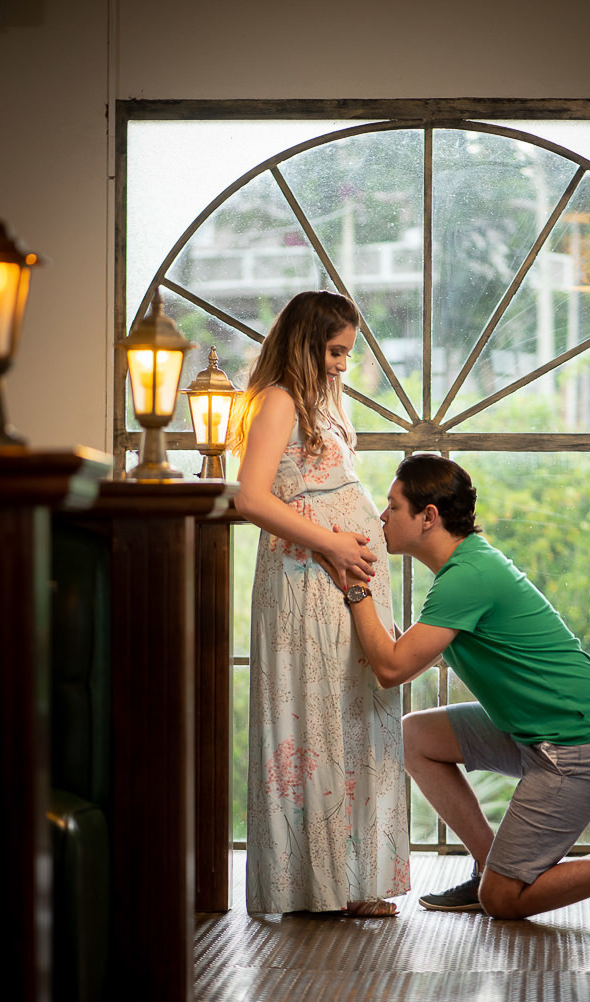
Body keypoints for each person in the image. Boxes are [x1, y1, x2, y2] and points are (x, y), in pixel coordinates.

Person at [325, 454, 590, 923]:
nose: (382, 517)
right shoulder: (465, 566)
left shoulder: (467, 576)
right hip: (537, 729)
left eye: (392, 506)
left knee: (504, 901)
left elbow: (391, 669)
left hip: (580, 743)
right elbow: (406, 654)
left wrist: (354, 587)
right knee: (415, 737)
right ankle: (490, 866)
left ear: (428, 517)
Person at [230, 291, 409, 917]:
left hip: (340, 583)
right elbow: (250, 498)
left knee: (352, 718)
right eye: (334, 352)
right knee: (315, 720)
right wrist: (332, 543)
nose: (341, 364)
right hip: (305, 581)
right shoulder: (278, 399)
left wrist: (348, 550)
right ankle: (316, 886)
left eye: (346, 354)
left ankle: (351, 879)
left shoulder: (323, 406)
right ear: (306, 344)